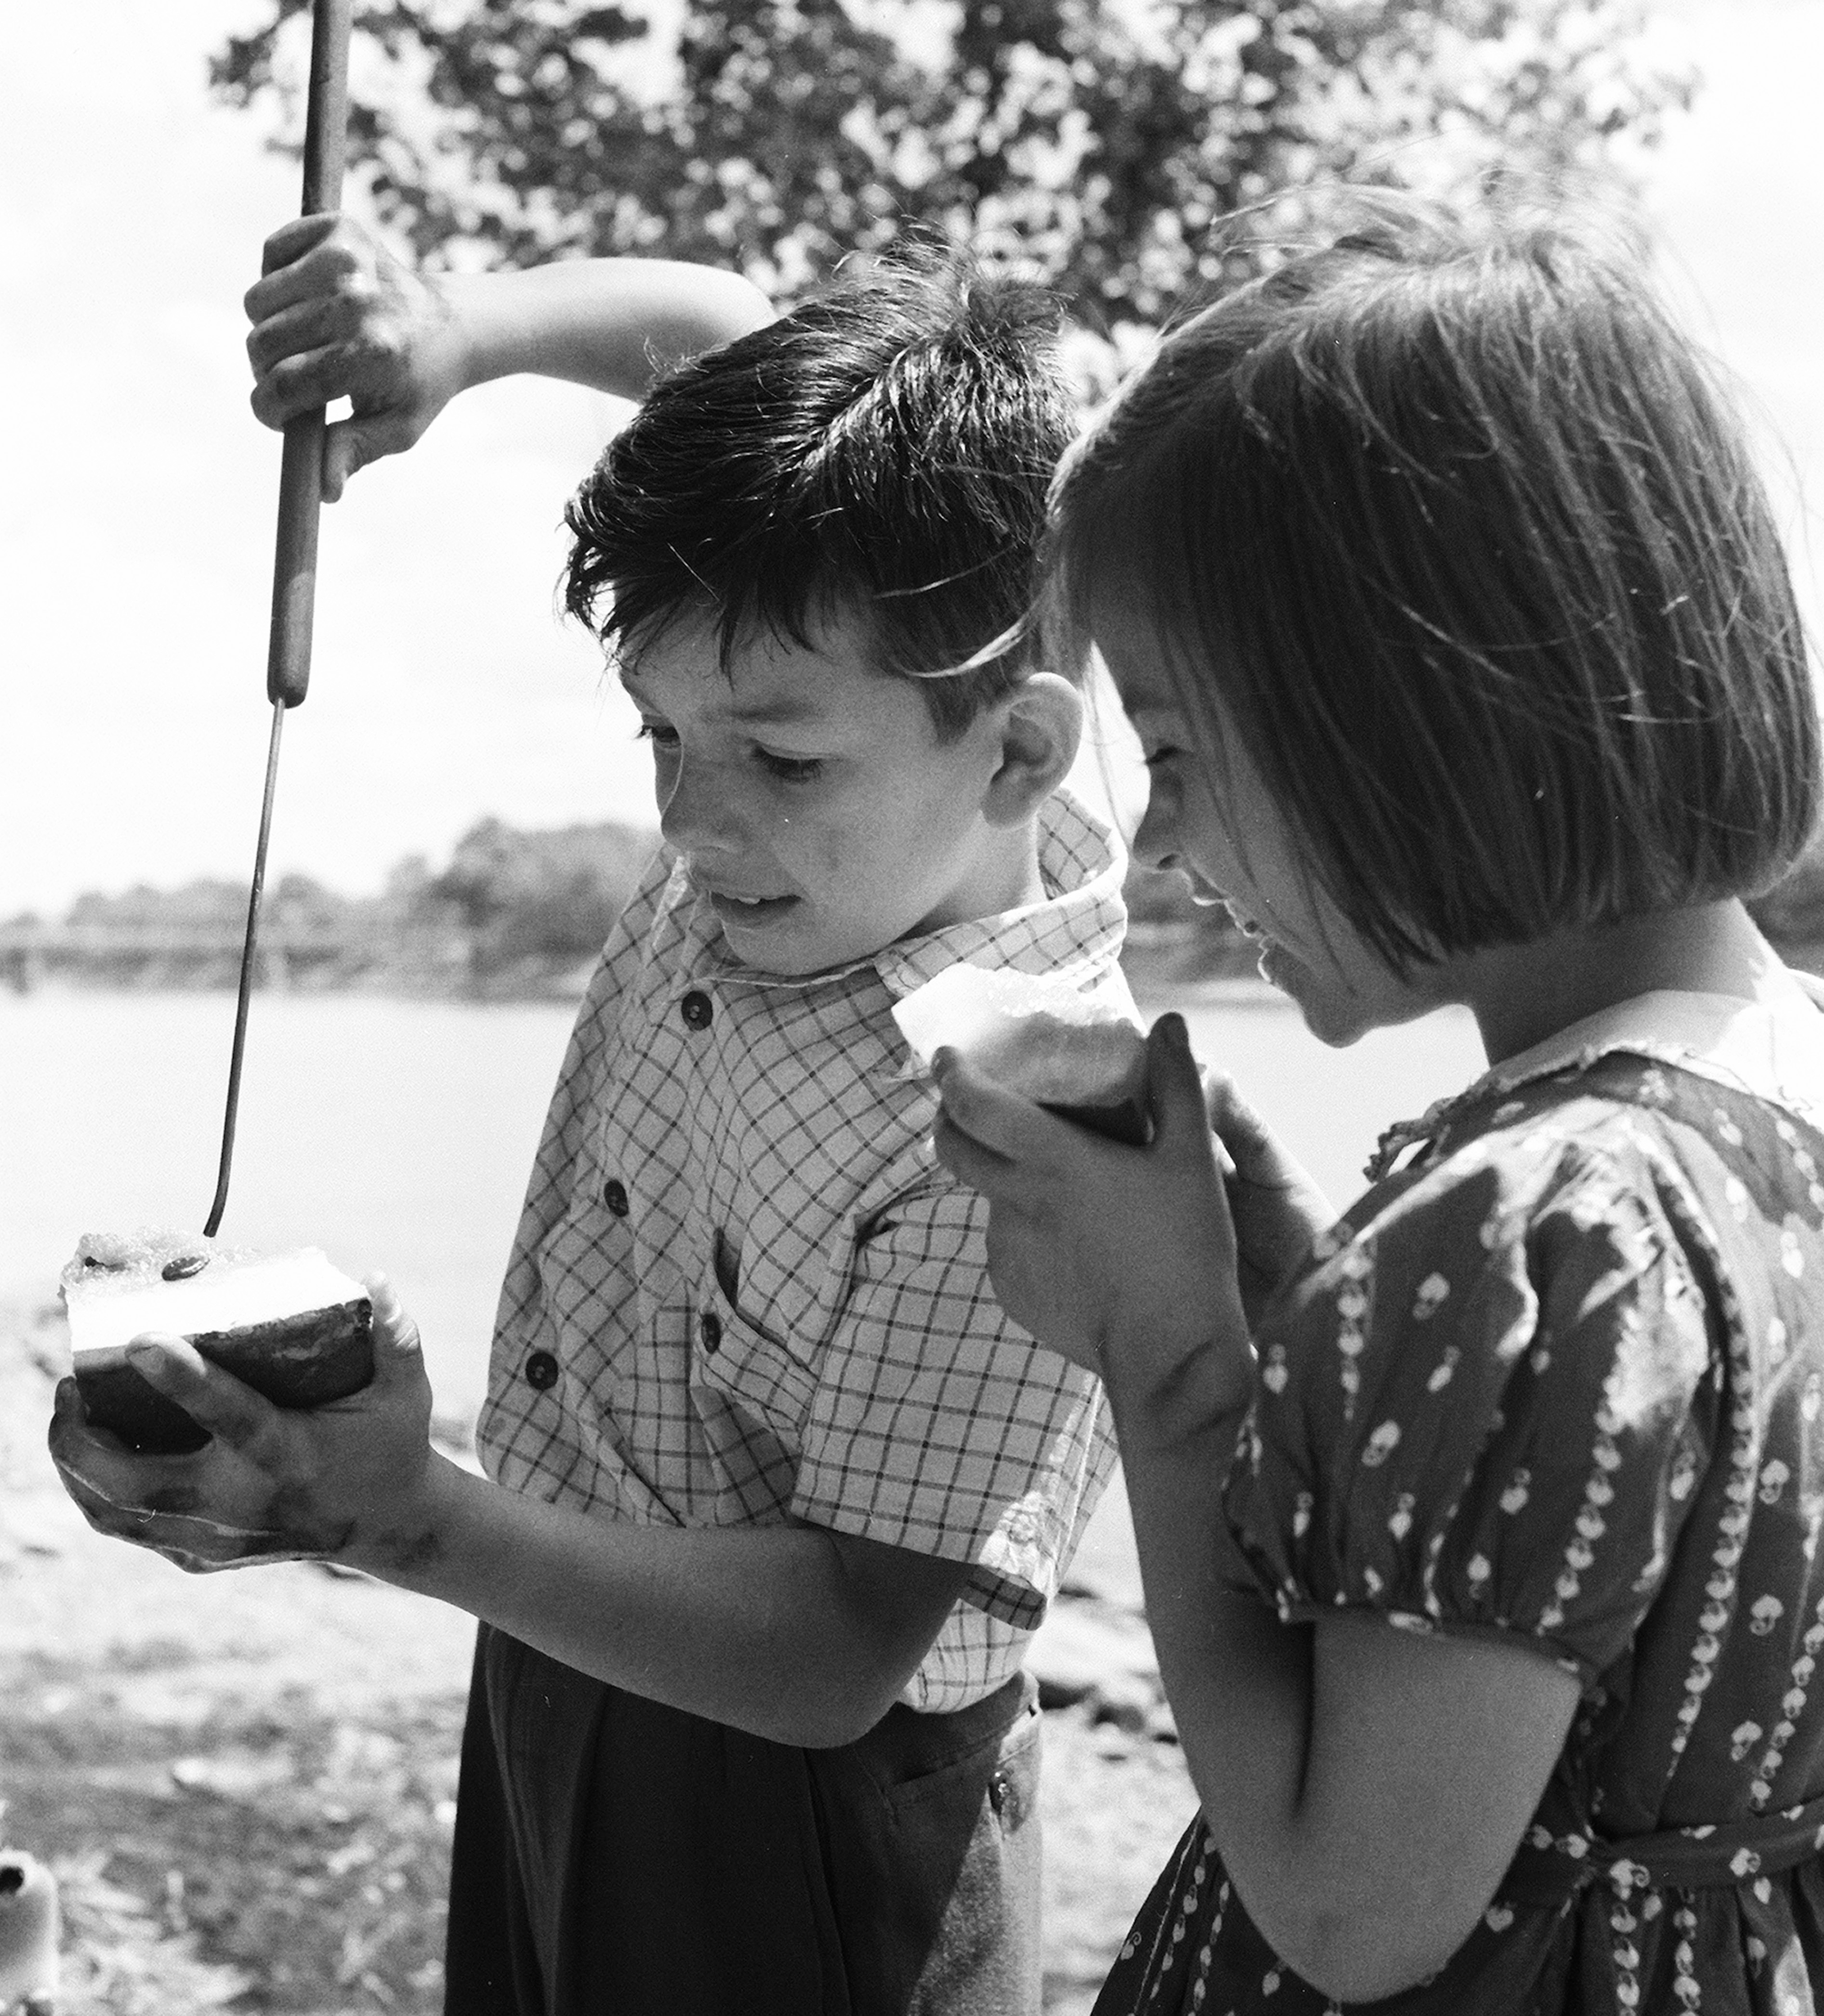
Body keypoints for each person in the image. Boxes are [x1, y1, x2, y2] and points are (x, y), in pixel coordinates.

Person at [49, 217, 1127, 2015]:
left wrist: (404, 1518)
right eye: (659, 740)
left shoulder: (1030, 1115)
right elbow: (716, 333)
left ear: (1014, 751)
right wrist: (454, 336)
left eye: (779, 758)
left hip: (812, 1831)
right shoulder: (797, 829)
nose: (695, 829)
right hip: (555, 1662)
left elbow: (835, 1652)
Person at [931, 193, 1824, 2015]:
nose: (1163, 846)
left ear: (1402, 706)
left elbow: (1352, 1907)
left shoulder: (1538, 1225)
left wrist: (1169, 1351)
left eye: (1176, 750)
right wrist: (1293, 1290)